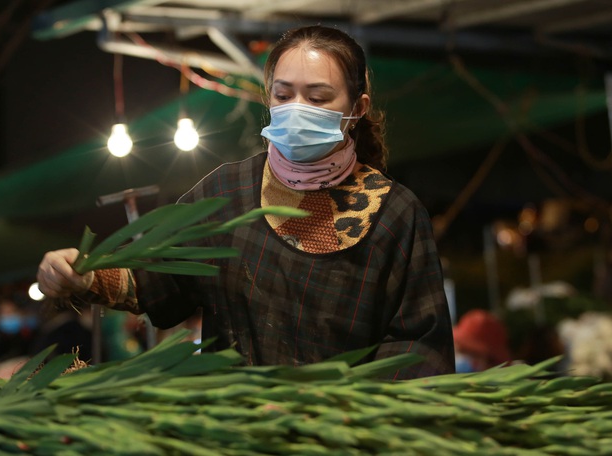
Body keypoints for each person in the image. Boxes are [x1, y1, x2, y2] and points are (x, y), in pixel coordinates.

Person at [36, 25, 454, 379]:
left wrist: (341, 416)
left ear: (357, 108)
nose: (297, 109)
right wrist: (85, 273)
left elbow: (418, 350)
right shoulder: (227, 191)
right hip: (232, 429)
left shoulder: (395, 213)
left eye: (319, 98)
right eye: (283, 94)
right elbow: (155, 276)